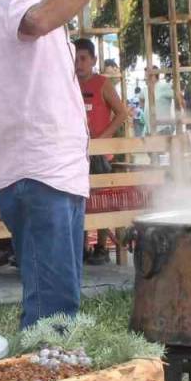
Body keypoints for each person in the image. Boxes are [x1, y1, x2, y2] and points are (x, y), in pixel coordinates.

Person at [0, 0, 161, 328]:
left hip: (56, 174)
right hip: (38, 174)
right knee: (54, 310)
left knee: (59, 300)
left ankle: (52, 375)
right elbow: (36, 21)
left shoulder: (58, 9)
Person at [74, 37, 128, 265]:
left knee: (101, 199)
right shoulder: (68, 83)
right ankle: (82, 246)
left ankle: (102, 247)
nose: (79, 63)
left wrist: (103, 139)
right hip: (76, 152)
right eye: (75, 59)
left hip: (100, 153)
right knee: (78, 198)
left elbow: (122, 114)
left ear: (94, 60)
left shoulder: (103, 84)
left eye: (84, 58)